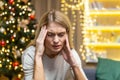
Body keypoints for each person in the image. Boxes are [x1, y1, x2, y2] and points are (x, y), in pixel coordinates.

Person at [21, 10, 88, 80]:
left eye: (61, 35)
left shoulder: (71, 54)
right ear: (41, 34)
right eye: (50, 35)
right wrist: (38, 56)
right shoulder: (30, 54)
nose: (56, 40)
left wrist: (74, 65)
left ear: (67, 35)